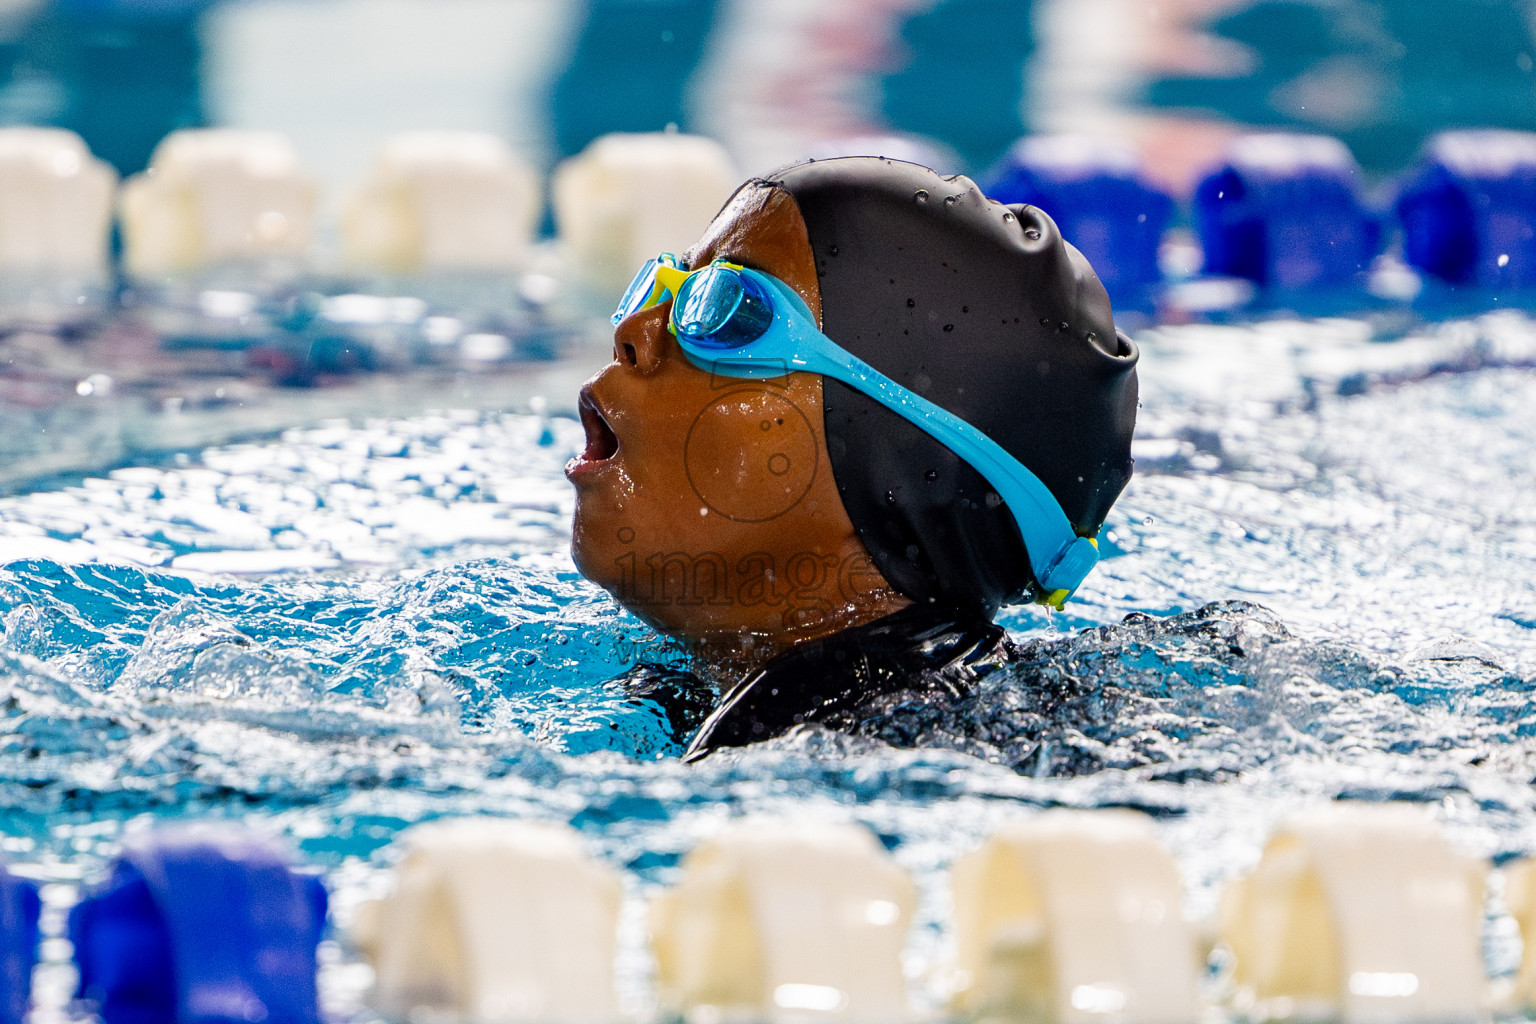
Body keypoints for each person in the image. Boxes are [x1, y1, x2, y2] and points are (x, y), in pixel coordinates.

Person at [565, 156, 1138, 760]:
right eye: (666, 284)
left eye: (729, 307)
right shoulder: (724, 694)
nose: (634, 329)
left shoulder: (812, 741)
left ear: (904, 466)